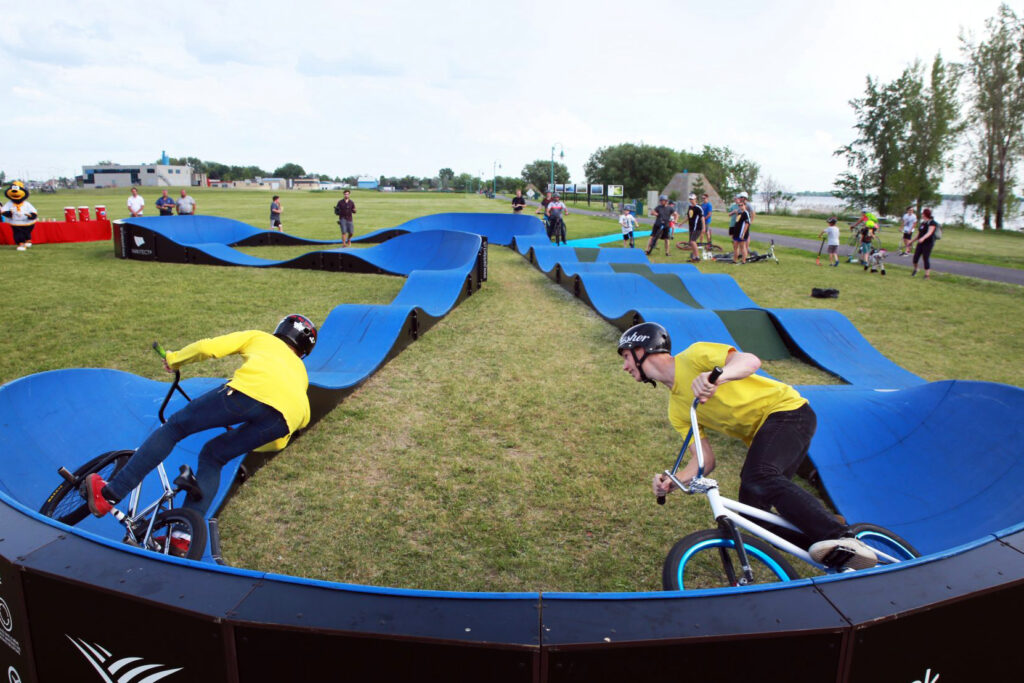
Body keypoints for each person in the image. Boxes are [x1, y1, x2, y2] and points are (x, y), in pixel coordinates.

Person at [616, 322, 878, 570]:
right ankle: (834, 552)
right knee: (753, 516)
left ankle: (842, 537)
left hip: (788, 412)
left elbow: (750, 361)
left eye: (626, 357)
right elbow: (704, 460)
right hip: (767, 434)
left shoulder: (694, 356)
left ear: (642, 350)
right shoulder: (677, 410)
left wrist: (717, 377)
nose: (625, 367)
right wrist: (673, 481)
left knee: (759, 476)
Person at [82, 315, 318, 533]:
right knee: (214, 456)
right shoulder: (301, 373)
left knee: (175, 427)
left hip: (248, 392)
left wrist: (174, 359)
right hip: (290, 418)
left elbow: (207, 348)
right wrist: (247, 436)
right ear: (304, 351)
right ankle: (183, 536)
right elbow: (278, 442)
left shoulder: (261, 338)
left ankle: (111, 493)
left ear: (280, 329)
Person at [2, 181, 38, 251]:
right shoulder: (9, 203)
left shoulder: (26, 204)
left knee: (27, 231)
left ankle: (28, 240)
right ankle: (21, 243)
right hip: (16, 222)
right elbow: (4, 211)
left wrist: (31, 215)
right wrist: (9, 213)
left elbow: (33, 211)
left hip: (27, 221)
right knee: (18, 233)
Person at [908, 207, 938, 279]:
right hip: (920, 243)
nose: (922, 215)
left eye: (923, 214)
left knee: (925, 258)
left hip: (928, 243)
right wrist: (911, 241)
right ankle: (916, 269)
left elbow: (930, 232)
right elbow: (919, 234)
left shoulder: (932, 223)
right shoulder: (922, 223)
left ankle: (927, 275)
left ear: (925, 214)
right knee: (915, 258)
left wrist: (923, 238)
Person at [678, 193, 706, 262]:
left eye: (692, 199)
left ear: (695, 199)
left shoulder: (698, 207)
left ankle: (697, 257)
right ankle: (694, 257)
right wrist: (682, 223)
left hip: (697, 227)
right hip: (691, 227)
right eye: (690, 199)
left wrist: (704, 227)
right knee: (691, 242)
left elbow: (702, 217)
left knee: (693, 241)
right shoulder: (690, 207)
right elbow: (688, 216)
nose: (691, 200)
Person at [731, 196, 752, 264]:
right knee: (735, 246)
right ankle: (734, 260)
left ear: (745, 205)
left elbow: (747, 224)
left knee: (742, 247)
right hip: (736, 232)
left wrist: (743, 233)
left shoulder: (746, 213)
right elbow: (737, 222)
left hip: (741, 233)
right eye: (739, 205)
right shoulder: (740, 213)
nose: (740, 206)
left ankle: (743, 260)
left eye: (741, 205)